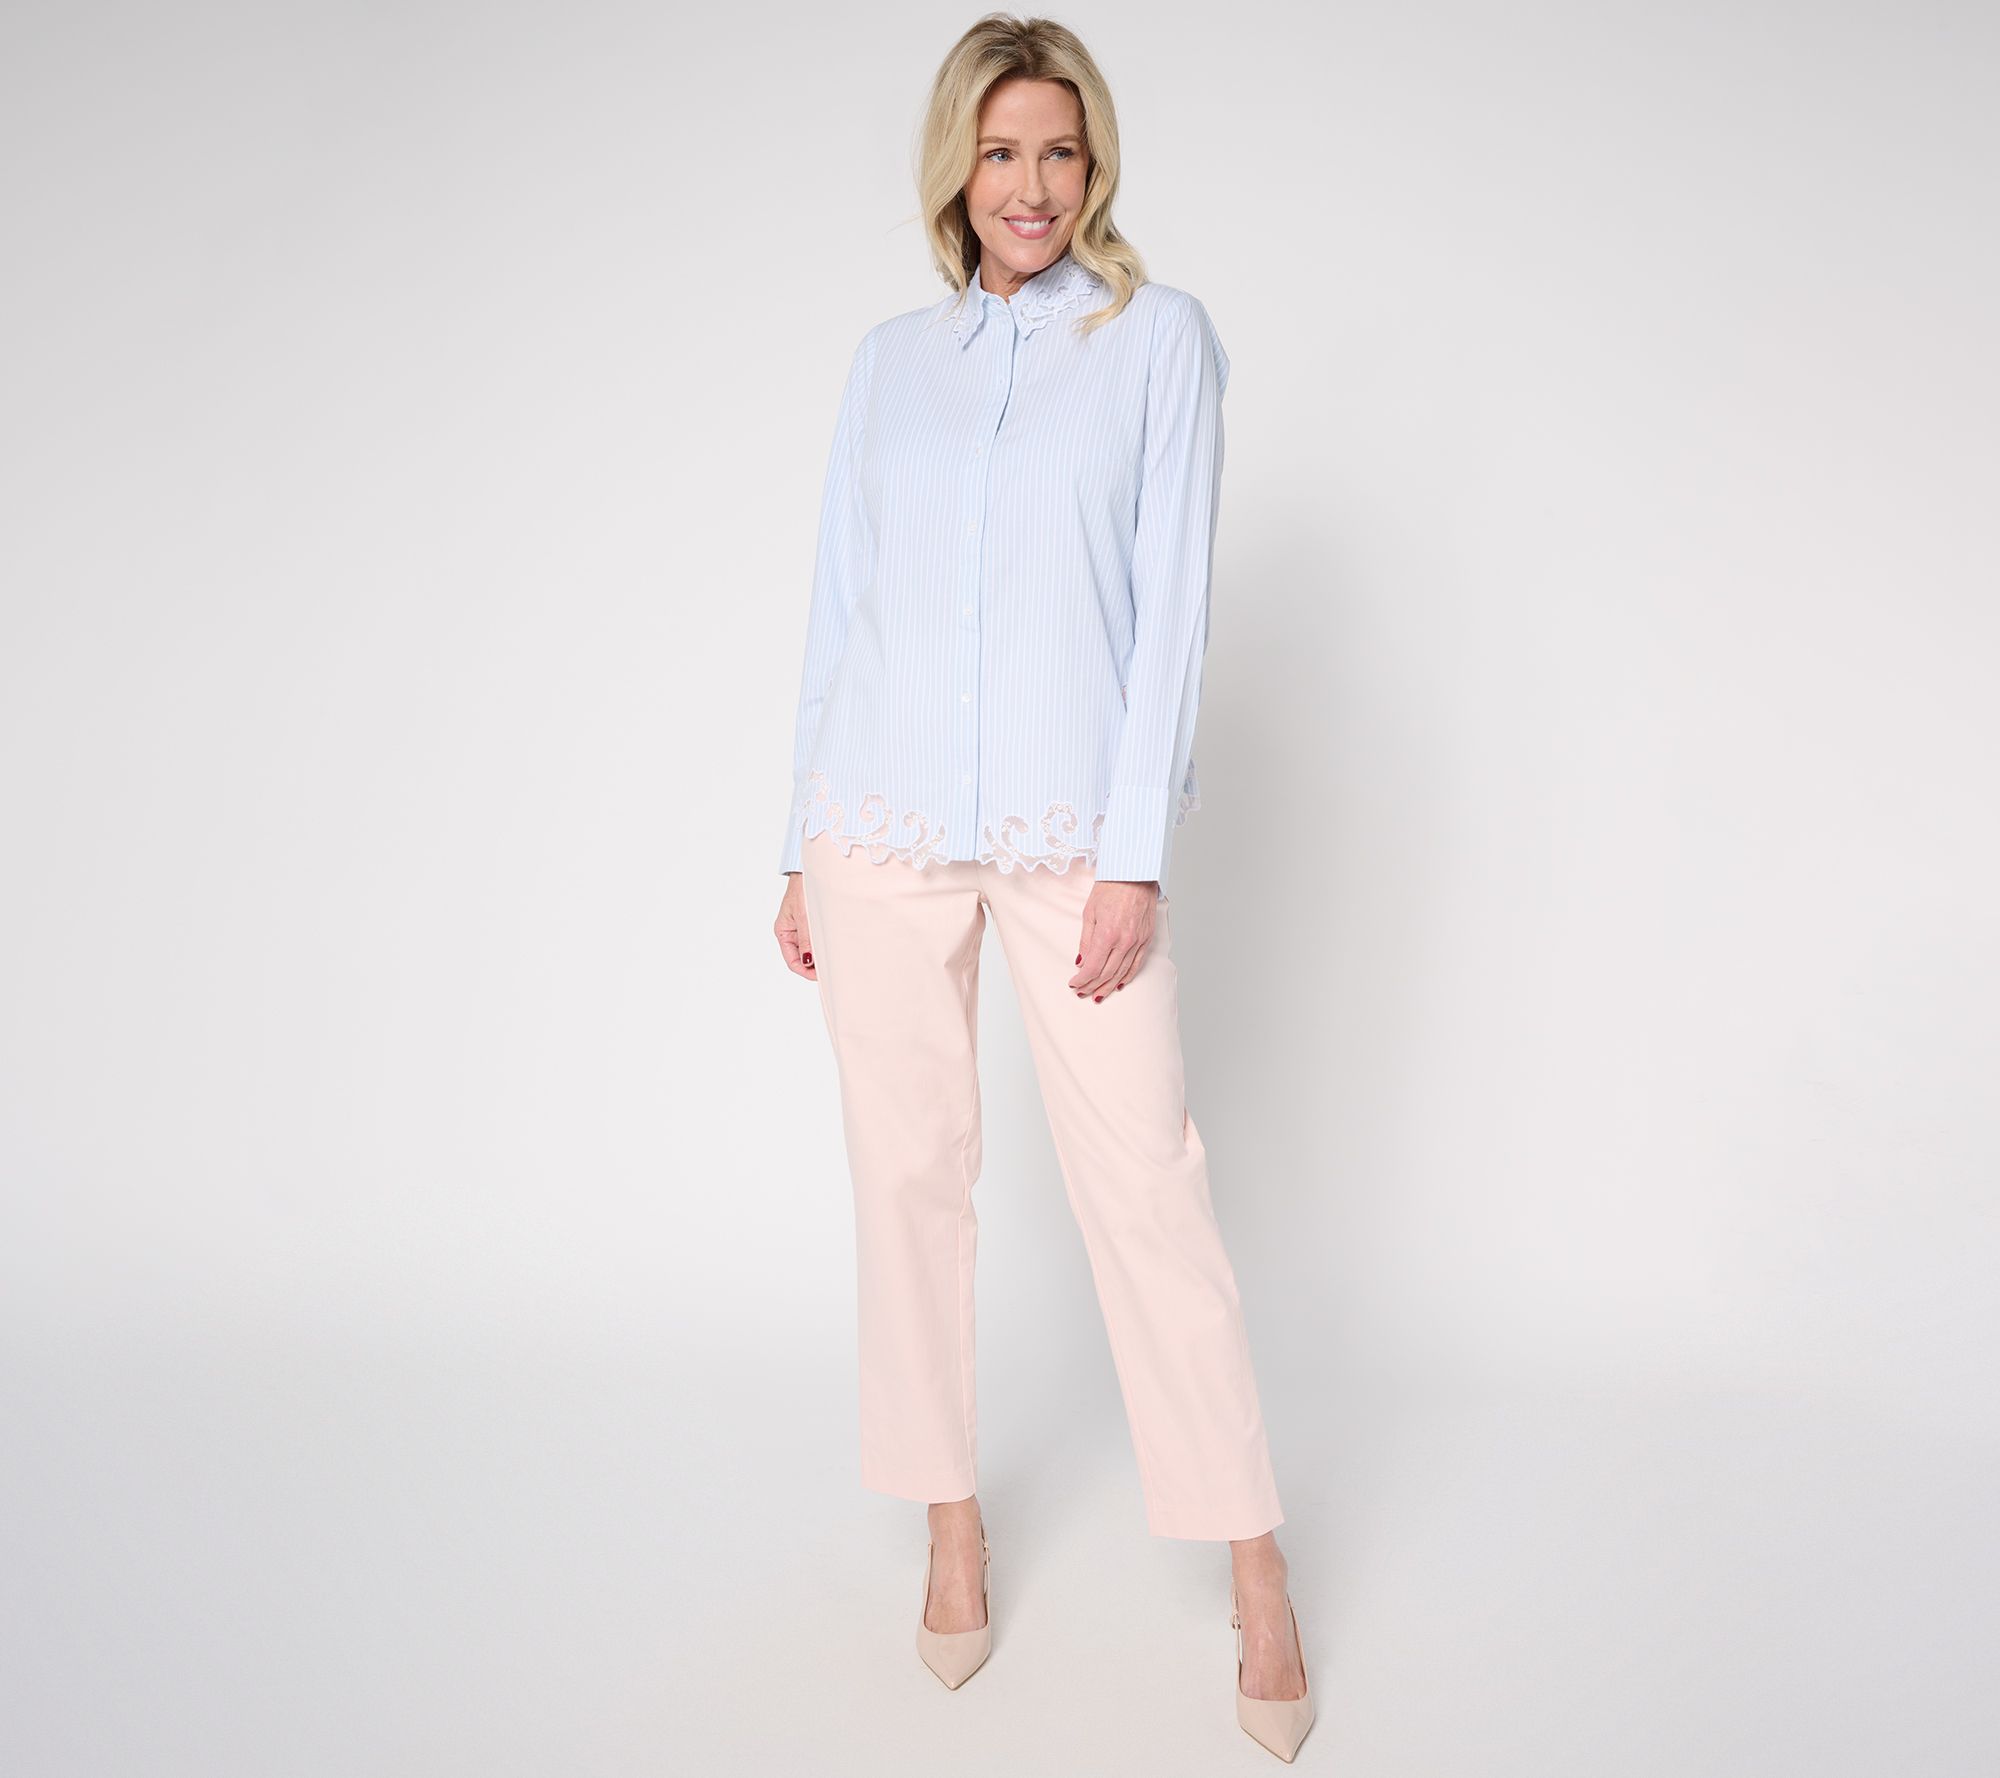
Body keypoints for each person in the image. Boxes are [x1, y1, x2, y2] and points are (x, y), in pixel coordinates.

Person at [771, 16, 1313, 1760]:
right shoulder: (890, 364)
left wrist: (1135, 853)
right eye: (1000, 152)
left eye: (1059, 153)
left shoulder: (1157, 343)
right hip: (878, 826)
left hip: (1074, 837)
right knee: (907, 1179)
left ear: (1096, 167)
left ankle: (1255, 1565)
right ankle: (951, 1518)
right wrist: (797, 840)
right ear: (958, 167)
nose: (1030, 185)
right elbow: (843, 603)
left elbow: (1173, 614)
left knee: (1148, 1185)